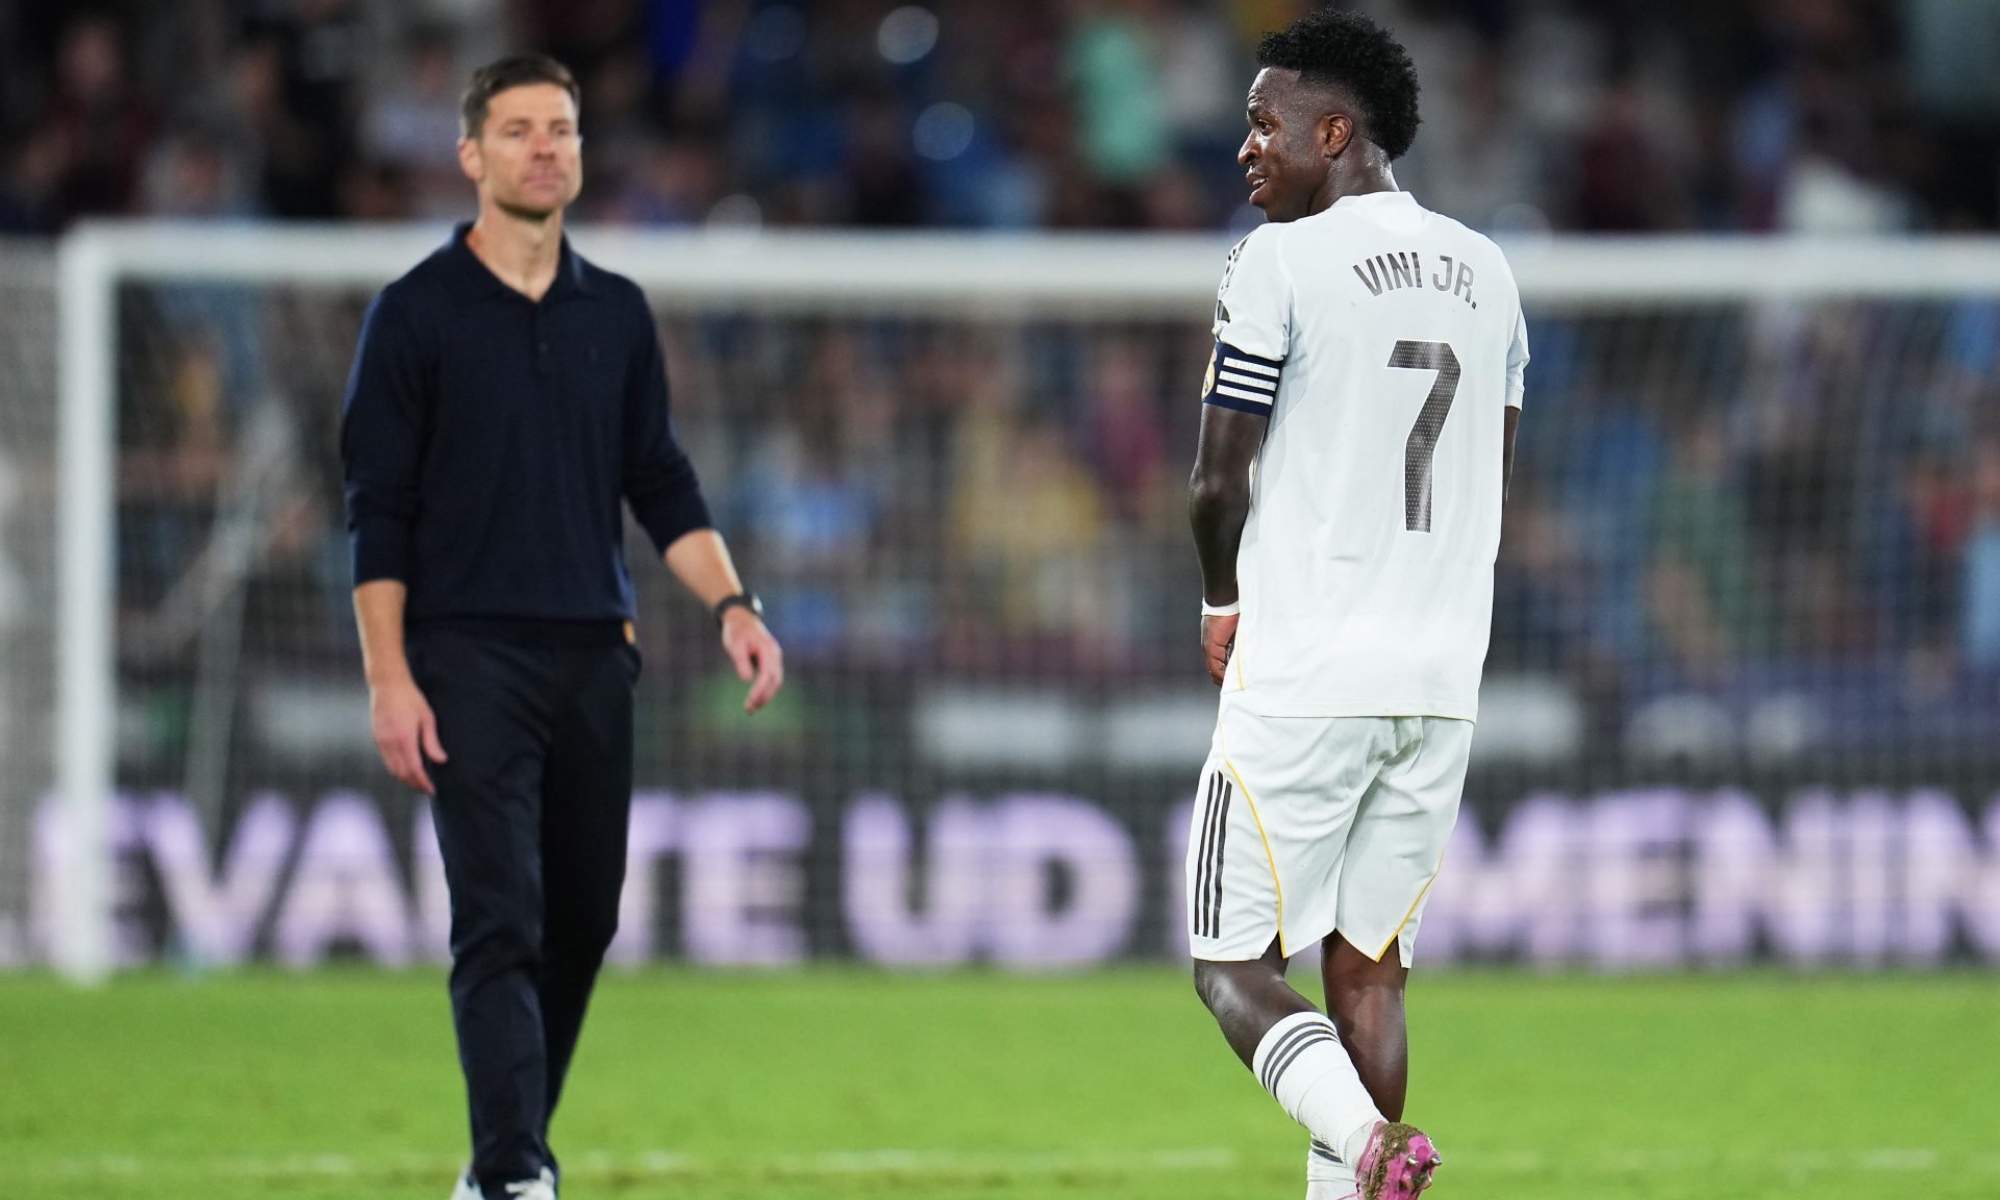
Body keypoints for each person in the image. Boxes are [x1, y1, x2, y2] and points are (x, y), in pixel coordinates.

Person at [339, 54, 783, 1200]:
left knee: (582, 920)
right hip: (465, 656)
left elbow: (661, 482)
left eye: (562, 129)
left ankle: (506, 1153)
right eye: (519, 128)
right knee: (498, 918)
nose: (544, 147)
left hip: (595, 655)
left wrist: (731, 605)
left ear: (581, 154)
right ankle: (511, 1173)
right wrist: (389, 678)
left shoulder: (618, 315)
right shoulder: (415, 315)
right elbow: (375, 517)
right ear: (470, 156)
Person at [1183, 11, 1526, 1199]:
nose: (1245, 149)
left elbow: (1214, 475)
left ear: (1334, 132)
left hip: (1307, 667)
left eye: (1261, 123)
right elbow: (1492, 468)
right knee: (1368, 969)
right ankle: (1370, 1170)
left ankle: (1371, 1148)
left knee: (1227, 966)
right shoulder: (1488, 270)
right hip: (1440, 681)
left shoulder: (1275, 260)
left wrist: (1221, 600)